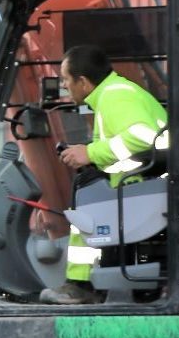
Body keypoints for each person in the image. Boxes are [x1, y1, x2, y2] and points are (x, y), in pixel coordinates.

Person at [41, 45, 168, 305]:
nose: (65, 86)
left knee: (87, 202)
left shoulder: (115, 96)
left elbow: (142, 137)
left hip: (143, 186)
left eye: (66, 80)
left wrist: (90, 154)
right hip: (146, 182)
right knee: (88, 187)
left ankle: (81, 285)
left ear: (84, 82)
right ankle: (84, 283)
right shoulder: (116, 94)